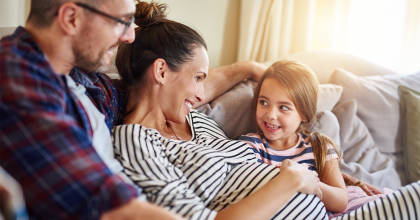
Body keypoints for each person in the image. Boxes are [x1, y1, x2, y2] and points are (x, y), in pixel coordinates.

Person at [113, 1, 420, 220]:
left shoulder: (190, 117)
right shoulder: (136, 142)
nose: (202, 93)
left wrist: (248, 68)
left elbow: (198, 86)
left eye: (203, 80)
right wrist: (289, 183)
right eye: (198, 78)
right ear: (162, 72)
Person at [0, 0, 264, 219]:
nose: (129, 36)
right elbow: (110, 204)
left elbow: (167, 86)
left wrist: (246, 69)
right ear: (71, 18)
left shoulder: (90, 85)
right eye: (122, 21)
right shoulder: (15, 76)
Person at [238, 60, 348, 213]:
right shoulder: (250, 145)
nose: (271, 115)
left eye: (283, 107)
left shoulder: (320, 147)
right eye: (264, 102)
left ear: (304, 113)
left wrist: (307, 181)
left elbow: (341, 201)